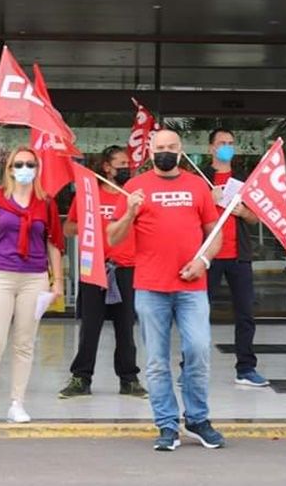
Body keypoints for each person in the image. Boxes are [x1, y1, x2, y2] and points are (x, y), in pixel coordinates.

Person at [108, 129, 224, 452]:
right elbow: (113, 237)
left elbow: (214, 235)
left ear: (181, 150)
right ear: (149, 150)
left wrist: (203, 261)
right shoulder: (134, 187)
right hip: (151, 287)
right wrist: (130, 212)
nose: (166, 151)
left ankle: (198, 419)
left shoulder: (197, 185)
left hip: (192, 287)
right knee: (157, 362)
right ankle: (167, 425)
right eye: (160, 147)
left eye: (172, 147)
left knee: (199, 351)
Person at [0, 147, 65, 423]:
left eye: (29, 164)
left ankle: (17, 403)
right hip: (0, 275)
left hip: (34, 278)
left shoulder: (46, 203)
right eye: (18, 164)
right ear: (9, 169)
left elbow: (54, 243)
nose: (24, 168)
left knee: (24, 344)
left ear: (37, 168)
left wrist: (58, 282)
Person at [58, 145, 146, 400]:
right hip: (94, 268)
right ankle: (81, 378)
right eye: (120, 163)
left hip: (126, 268)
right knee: (90, 327)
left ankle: (129, 379)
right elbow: (68, 228)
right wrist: (89, 225)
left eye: (128, 164)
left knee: (125, 327)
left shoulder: (134, 196)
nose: (126, 168)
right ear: (107, 167)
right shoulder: (88, 196)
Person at [199, 128, 268, 388]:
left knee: (245, 314)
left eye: (230, 143)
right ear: (211, 148)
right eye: (221, 143)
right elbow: (188, 213)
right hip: (208, 255)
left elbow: (256, 217)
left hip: (239, 256)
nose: (226, 147)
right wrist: (208, 198)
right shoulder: (199, 178)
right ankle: (191, 368)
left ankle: (246, 368)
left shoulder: (244, 180)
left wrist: (243, 212)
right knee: (197, 313)